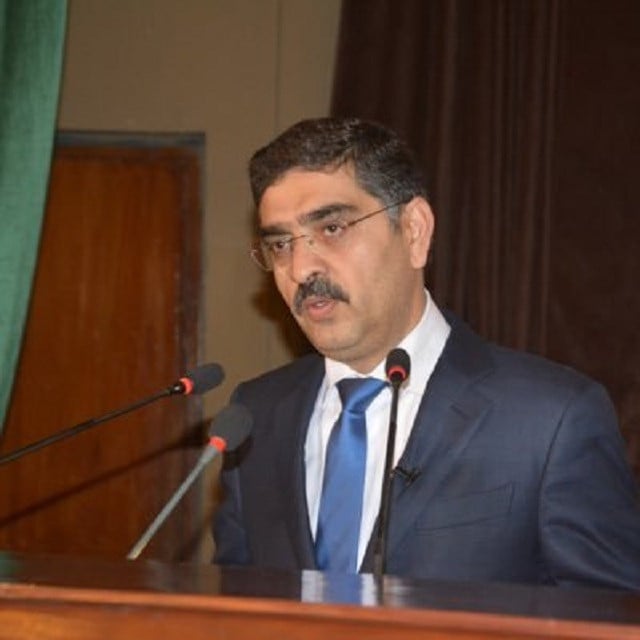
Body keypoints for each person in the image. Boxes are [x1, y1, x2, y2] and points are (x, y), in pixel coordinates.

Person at [213, 116, 640, 590]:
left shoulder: (549, 421)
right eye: (279, 244)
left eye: (331, 228)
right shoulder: (256, 415)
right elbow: (234, 604)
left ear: (414, 231)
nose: (300, 268)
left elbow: (609, 615)